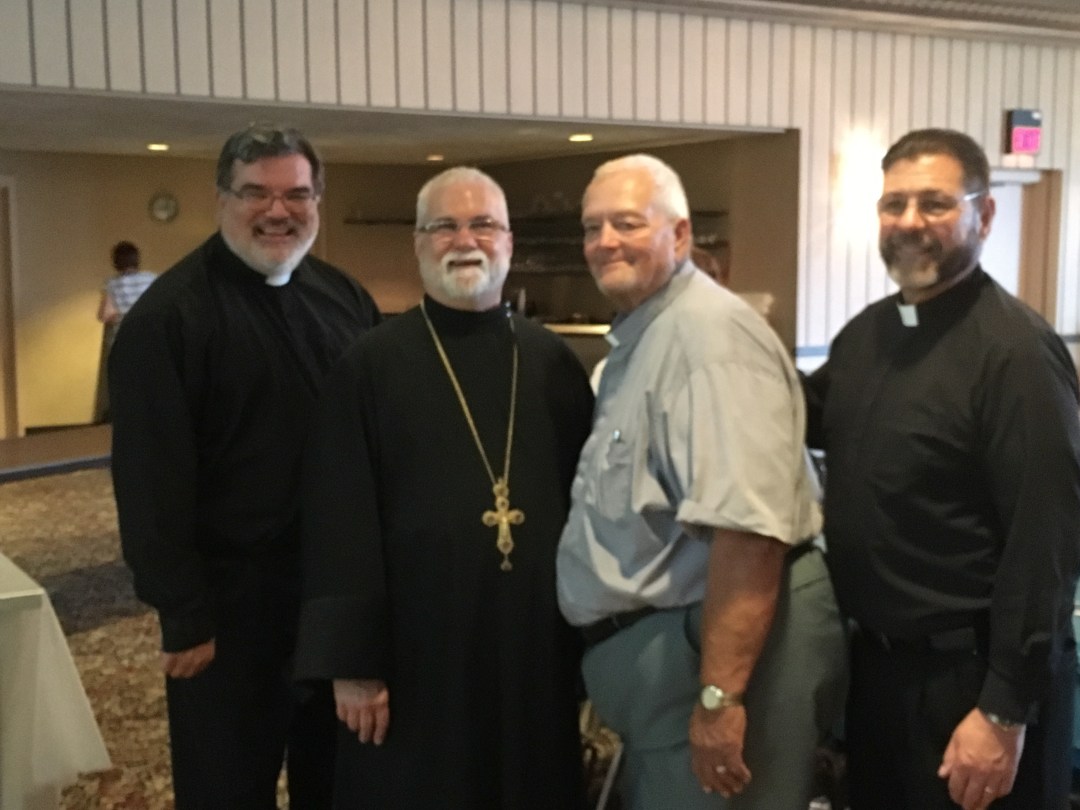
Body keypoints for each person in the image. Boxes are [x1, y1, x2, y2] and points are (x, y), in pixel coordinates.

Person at [293, 166, 594, 809]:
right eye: (445, 226)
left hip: (531, 646)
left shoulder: (554, 364)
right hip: (414, 653)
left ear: (509, 241)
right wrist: (352, 662)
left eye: (483, 224)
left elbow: (587, 505)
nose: (466, 239)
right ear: (419, 243)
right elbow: (337, 520)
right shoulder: (368, 367)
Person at [556, 153, 847, 810]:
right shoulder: (649, 335)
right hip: (670, 664)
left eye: (628, 223)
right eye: (593, 227)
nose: (605, 243)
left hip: (714, 664)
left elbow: (748, 533)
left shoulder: (710, 342)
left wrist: (720, 699)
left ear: (681, 235)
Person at [803, 128, 1080, 810]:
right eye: (894, 204)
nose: (909, 223)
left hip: (974, 684)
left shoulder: (1015, 354)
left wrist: (1003, 709)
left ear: (983, 215)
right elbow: (803, 418)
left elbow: (1044, 540)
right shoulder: (869, 335)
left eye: (935, 204)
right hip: (881, 674)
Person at [108, 124, 381, 809]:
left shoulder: (347, 302)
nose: (277, 210)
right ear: (222, 199)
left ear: (318, 199)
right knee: (227, 789)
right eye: (255, 192)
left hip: (329, 604)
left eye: (296, 194)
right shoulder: (167, 320)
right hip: (227, 616)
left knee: (339, 784)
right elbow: (149, 479)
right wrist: (183, 613)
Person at [93, 241, 157, 422]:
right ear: (137, 260)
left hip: (123, 343)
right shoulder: (151, 279)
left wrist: (121, 313)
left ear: (115, 262)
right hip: (151, 342)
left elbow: (105, 315)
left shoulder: (112, 284)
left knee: (128, 391)